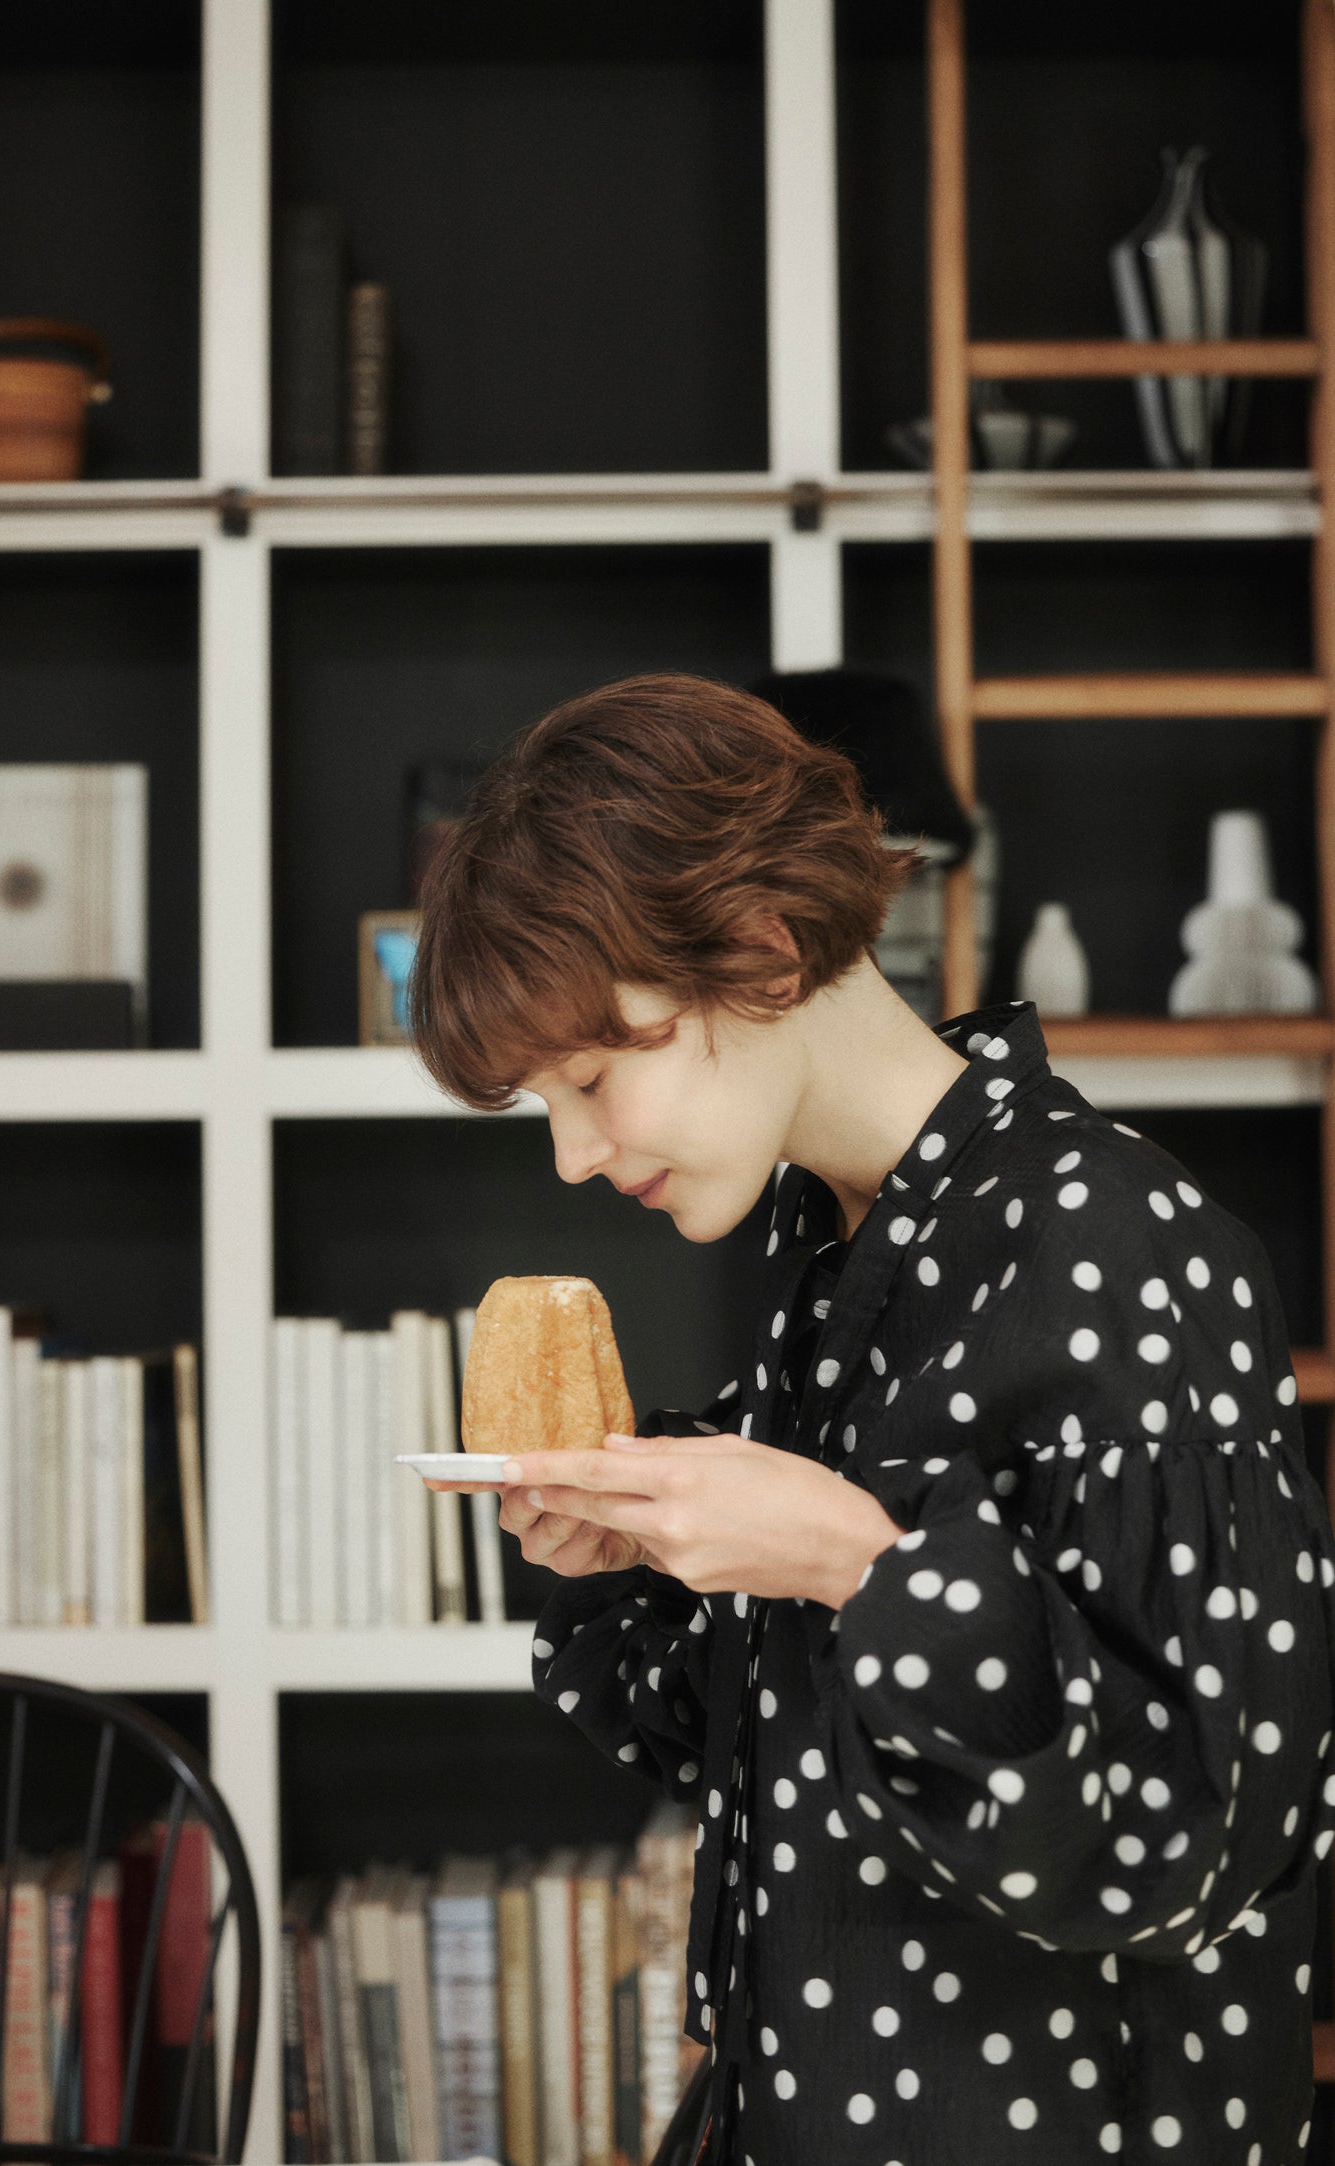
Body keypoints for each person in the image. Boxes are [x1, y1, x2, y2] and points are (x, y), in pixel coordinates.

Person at [407, 671, 1335, 2166]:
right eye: (543, 1106)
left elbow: (1207, 1850)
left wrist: (865, 1564)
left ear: (763, 949)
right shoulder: (830, 1248)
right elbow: (803, 1768)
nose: (574, 1153)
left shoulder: (1121, 1244)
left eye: (590, 1073)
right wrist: (630, 1559)